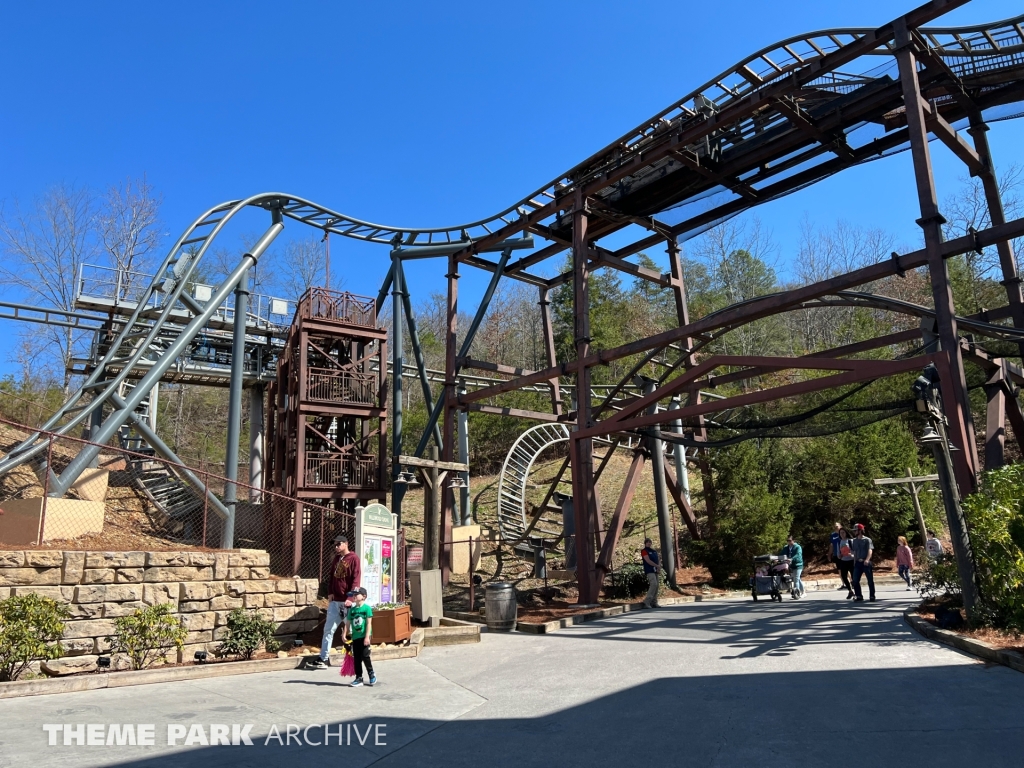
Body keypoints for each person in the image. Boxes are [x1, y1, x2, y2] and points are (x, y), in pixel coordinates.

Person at [308, 534, 361, 670]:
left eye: (339, 544)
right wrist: (330, 592)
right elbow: (331, 576)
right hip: (334, 601)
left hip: (347, 602)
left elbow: (356, 580)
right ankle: (323, 659)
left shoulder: (354, 558)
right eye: (335, 545)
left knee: (351, 631)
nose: (336, 547)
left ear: (345, 544)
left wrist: (350, 598)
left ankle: (357, 656)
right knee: (328, 629)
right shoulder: (337, 559)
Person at [344, 587, 375, 687]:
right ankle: (359, 677)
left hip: (364, 636)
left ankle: (371, 673)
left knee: (365, 656)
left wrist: (367, 637)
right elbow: (347, 623)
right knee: (356, 657)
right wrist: (344, 634)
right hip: (356, 637)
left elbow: (369, 624)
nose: (354, 596)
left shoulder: (367, 608)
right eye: (353, 595)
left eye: (356, 594)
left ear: (364, 596)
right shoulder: (352, 610)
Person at [851, 523, 875, 602]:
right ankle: (859, 596)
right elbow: (855, 552)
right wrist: (854, 562)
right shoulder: (854, 541)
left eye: (856, 530)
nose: (854, 532)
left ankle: (872, 596)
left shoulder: (867, 540)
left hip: (866, 562)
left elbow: (870, 550)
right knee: (855, 580)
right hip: (858, 562)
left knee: (870, 580)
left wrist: (867, 559)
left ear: (860, 531)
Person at [641, 538, 660, 609]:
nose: (649, 543)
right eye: (647, 542)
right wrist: (656, 566)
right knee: (654, 584)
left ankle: (654, 602)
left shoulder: (654, 551)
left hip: (655, 569)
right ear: (645, 543)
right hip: (649, 570)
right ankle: (647, 602)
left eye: (650, 542)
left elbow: (658, 560)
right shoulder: (644, 551)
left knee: (657, 585)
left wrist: (659, 567)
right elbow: (648, 561)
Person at [837, 527, 855, 599]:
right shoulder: (839, 542)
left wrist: (852, 555)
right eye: (840, 533)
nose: (842, 534)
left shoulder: (850, 541)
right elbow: (838, 554)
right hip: (844, 561)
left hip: (851, 561)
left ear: (846, 533)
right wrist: (839, 556)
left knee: (854, 577)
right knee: (844, 576)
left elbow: (855, 551)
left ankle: (857, 592)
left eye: (843, 532)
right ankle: (850, 591)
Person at [829, 522, 844, 590]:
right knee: (839, 570)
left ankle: (851, 582)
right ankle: (843, 583)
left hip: (844, 554)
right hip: (836, 554)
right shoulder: (833, 535)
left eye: (837, 526)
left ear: (840, 526)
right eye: (834, 526)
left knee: (846, 569)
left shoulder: (843, 533)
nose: (836, 527)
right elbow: (831, 545)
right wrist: (830, 554)